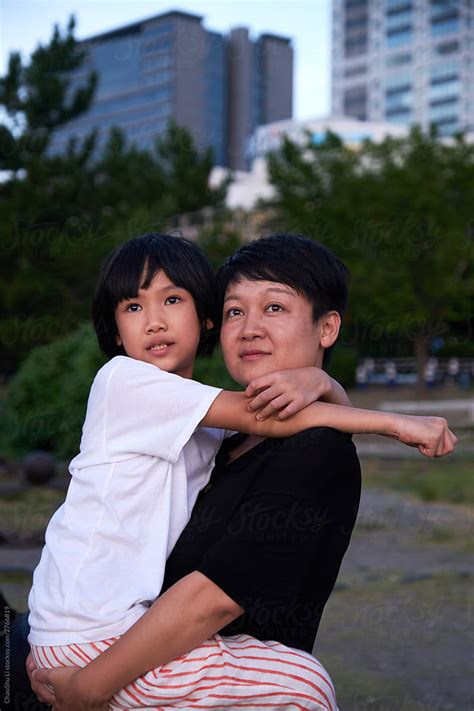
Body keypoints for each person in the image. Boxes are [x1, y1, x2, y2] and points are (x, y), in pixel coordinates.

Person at [25, 233, 456, 710]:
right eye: (236, 311)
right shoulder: (152, 397)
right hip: (99, 635)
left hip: (119, 646)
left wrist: (323, 383)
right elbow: (263, 418)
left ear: (327, 327)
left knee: (301, 683)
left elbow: (213, 597)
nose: (249, 328)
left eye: (274, 308)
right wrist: (379, 414)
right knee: (304, 685)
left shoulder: (295, 449)